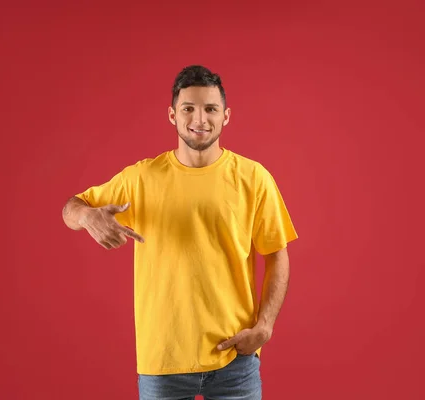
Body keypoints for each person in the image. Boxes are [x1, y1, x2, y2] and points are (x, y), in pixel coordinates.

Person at [62, 65, 298, 400]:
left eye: (210, 109)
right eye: (188, 108)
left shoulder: (254, 178)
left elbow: (277, 254)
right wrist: (87, 216)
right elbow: (71, 208)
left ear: (226, 116)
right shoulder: (141, 178)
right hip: (163, 361)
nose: (199, 119)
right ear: (172, 115)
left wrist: (264, 327)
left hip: (234, 359)